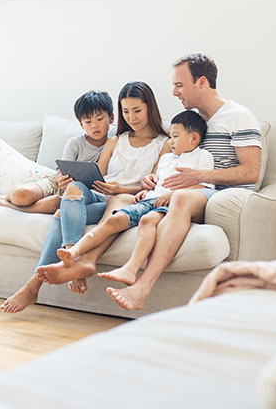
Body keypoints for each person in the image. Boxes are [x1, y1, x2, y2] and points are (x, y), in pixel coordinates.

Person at [107, 53, 262, 310]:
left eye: (179, 85)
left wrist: (199, 177)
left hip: (224, 194)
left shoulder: (238, 116)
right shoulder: (192, 123)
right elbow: (172, 161)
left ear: (201, 82)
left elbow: (250, 173)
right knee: (143, 207)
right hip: (191, 192)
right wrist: (154, 179)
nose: (174, 92)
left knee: (180, 197)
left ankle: (142, 288)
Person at [1, 81, 170, 313]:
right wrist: (79, 181)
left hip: (126, 201)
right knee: (75, 188)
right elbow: (96, 178)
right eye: (126, 111)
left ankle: (33, 286)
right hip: (101, 197)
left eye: (137, 110)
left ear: (150, 108)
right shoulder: (115, 140)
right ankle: (71, 254)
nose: (131, 117)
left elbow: (153, 188)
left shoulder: (165, 144)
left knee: (62, 213)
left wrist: (121, 189)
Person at [56, 110, 213, 287]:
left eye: (175, 136)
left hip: (167, 204)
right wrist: (145, 191)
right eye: (170, 136)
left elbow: (205, 186)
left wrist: (172, 194)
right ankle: (74, 252)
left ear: (193, 138)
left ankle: (130, 269)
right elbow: (158, 183)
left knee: (147, 221)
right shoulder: (167, 158)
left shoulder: (203, 156)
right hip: (149, 200)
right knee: (115, 218)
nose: (171, 141)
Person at [0, 91, 114, 215]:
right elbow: (61, 172)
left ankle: (5, 204)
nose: (94, 126)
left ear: (111, 118)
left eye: (100, 119)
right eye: (88, 121)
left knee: (56, 204)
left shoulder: (116, 144)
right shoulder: (75, 143)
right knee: (21, 195)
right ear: (81, 125)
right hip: (56, 184)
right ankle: (6, 197)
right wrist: (62, 180)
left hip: (79, 195)